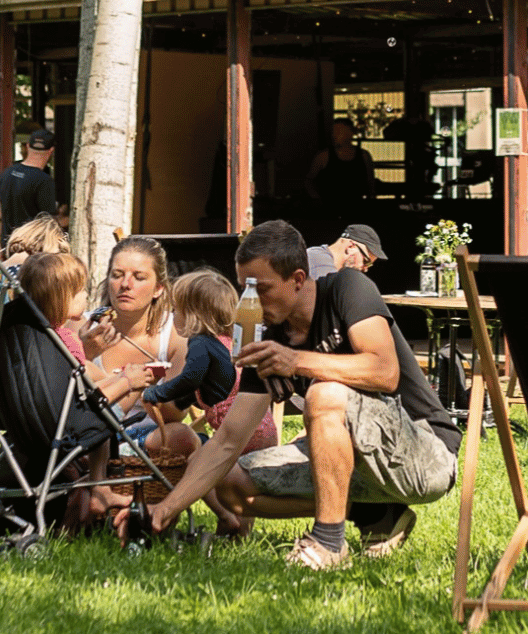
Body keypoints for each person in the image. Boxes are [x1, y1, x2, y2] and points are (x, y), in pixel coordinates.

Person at [146, 220, 460, 569]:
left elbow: (385, 371)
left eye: (261, 288)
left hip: (423, 455)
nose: (250, 300)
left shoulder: (348, 287)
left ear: (297, 279)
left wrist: (296, 362)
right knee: (230, 484)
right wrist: (166, 508)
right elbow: (226, 442)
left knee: (324, 394)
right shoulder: (270, 337)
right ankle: (375, 514)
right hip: (356, 465)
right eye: (244, 287)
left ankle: (328, 543)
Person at [132, 268, 279, 533]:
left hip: (237, 428)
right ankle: (240, 533)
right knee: (243, 482)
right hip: (262, 426)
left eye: (176, 310)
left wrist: (157, 392)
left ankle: (226, 517)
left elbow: (190, 379)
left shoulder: (200, 344)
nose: (173, 317)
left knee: (197, 466)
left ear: (193, 315)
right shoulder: (228, 344)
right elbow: (207, 386)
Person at [82, 237, 186, 417]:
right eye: (117, 275)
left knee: (179, 437)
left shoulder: (175, 333)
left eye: (138, 277)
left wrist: (144, 387)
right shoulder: (85, 326)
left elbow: (176, 416)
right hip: (93, 432)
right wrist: (85, 353)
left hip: (150, 434)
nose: (125, 284)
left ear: (158, 289)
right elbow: (61, 398)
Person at [0, 130, 58, 247]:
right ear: (51, 151)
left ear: (28, 146)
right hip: (32, 250)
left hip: (9, 248)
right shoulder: (44, 180)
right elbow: (49, 224)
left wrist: (0, 248)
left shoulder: (6, 173)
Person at [306, 120, 376, 212]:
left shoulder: (363, 156)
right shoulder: (324, 156)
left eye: (339, 131)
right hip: (329, 208)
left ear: (350, 133)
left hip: (356, 207)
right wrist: (316, 199)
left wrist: (371, 203)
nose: (334, 135)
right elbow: (309, 180)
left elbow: (370, 182)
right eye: (333, 132)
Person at [307, 224, 388, 280]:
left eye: (369, 265)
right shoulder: (319, 264)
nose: (365, 269)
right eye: (366, 262)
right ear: (351, 247)